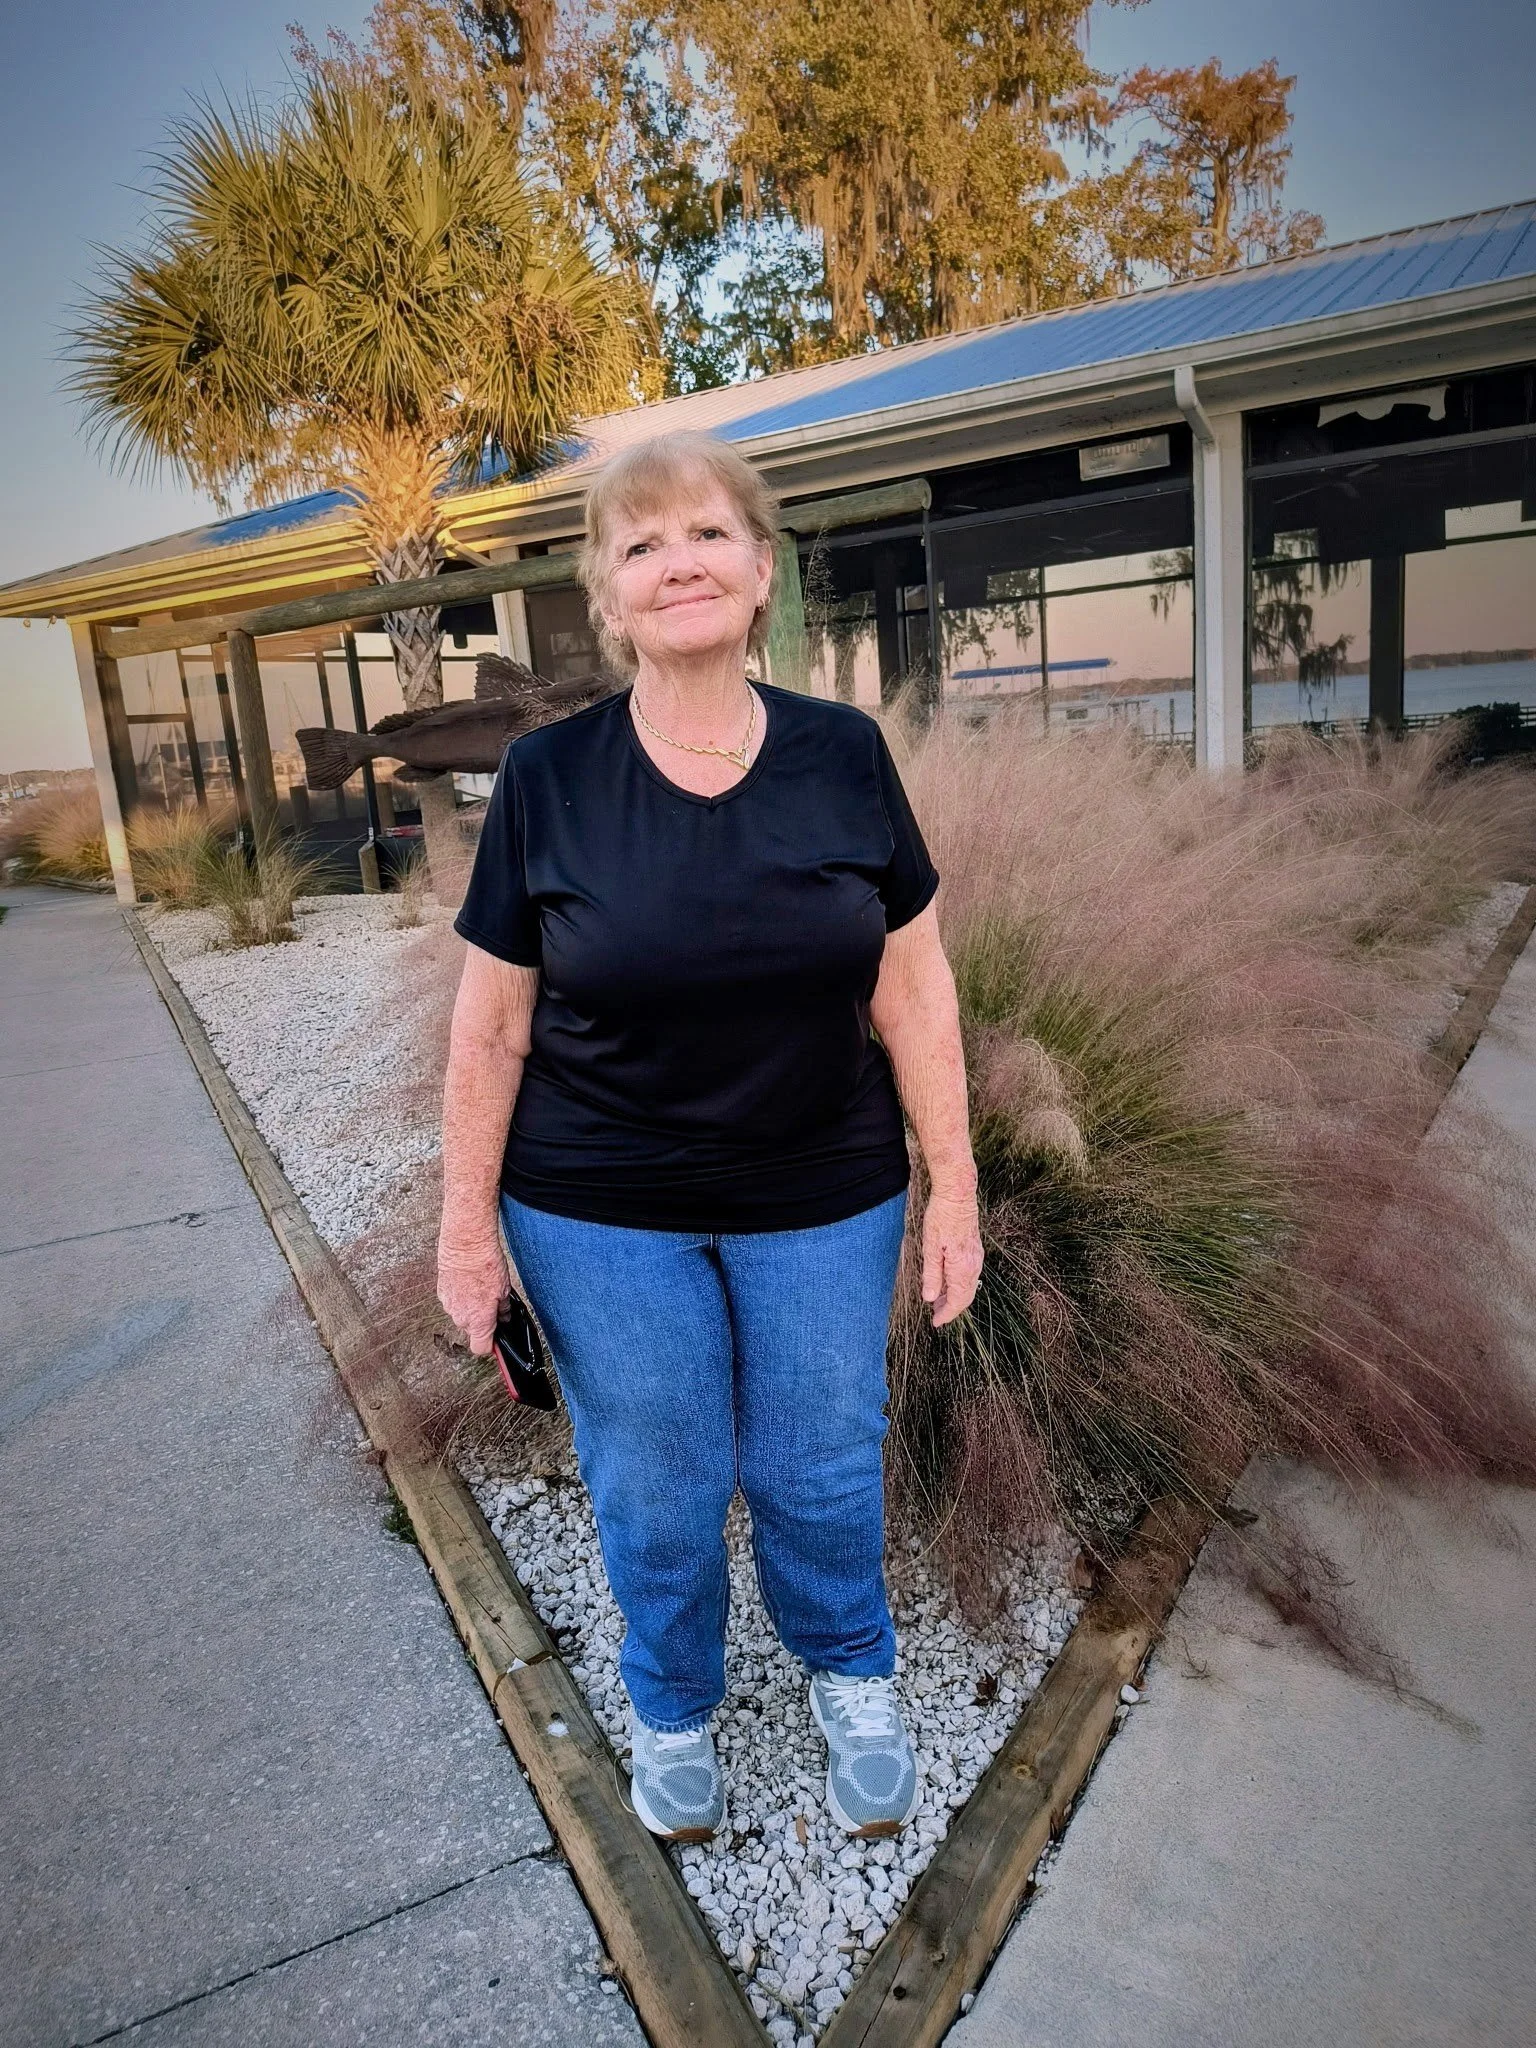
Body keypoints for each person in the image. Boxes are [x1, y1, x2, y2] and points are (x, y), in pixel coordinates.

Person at [437, 429, 982, 1842]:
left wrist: (957, 1185)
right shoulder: (548, 779)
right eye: (641, 544)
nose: (678, 561)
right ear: (608, 602)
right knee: (658, 1467)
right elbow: (491, 1027)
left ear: (759, 572)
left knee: (818, 1456)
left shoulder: (842, 756)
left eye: (706, 535)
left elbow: (913, 983)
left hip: (822, 1184)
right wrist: (465, 1231)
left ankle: (851, 1674)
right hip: (599, 1198)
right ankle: (674, 1701)